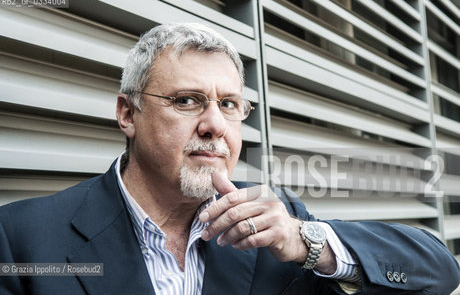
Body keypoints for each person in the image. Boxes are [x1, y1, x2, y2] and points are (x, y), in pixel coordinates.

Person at [0, 22, 459, 295]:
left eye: (230, 105)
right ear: (128, 114)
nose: (215, 125)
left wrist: (307, 241)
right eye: (186, 101)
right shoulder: (21, 238)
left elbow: (437, 270)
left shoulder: (278, 227)